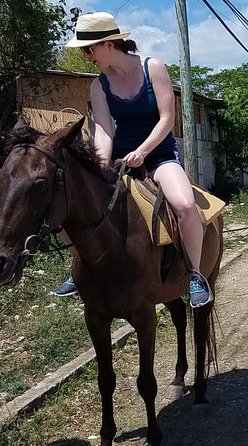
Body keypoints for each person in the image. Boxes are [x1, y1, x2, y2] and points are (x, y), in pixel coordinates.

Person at [62, 12, 212, 308]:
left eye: (88, 49)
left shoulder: (152, 68)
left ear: (107, 44)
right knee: (76, 205)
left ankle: (195, 275)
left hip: (159, 156)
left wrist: (143, 151)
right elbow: (104, 131)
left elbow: (168, 119)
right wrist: (100, 167)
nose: (85, 56)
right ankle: (78, 271)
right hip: (121, 159)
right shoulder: (99, 86)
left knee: (184, 205)